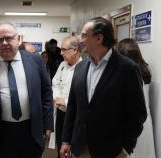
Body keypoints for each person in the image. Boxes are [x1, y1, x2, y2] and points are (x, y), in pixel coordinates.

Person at [60, 17, 147, 158]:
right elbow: (73, 108)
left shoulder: (127, 69)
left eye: (83, 35)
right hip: (79, 148)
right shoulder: (80, 67)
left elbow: (137, 114)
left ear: (99, 38)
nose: (79, 40)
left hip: (111, 151)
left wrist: (125, 148)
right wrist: (65, 140)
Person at [0, 22, 53, 158]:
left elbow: (47, 92)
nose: (4, 43)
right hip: (2, 130)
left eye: (8, 38)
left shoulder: (36, 61)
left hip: (31, 128)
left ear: (17, 39)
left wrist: (48, 122)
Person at [117, 38, 156, 158]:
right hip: (145, 122)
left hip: (131, 124)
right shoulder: (145, 69)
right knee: (144, 153)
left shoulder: (124, 72)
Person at [49, 36, 82, 158]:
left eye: (64, 50)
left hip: (74, 116)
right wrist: (56, 97)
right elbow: (55, 83)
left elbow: (85, 97)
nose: (61, 53)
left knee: (72, 149)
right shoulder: (62, 65)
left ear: (74, 50)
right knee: (60, 146)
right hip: (60, 113)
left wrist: (66, 101)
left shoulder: (84, 68)